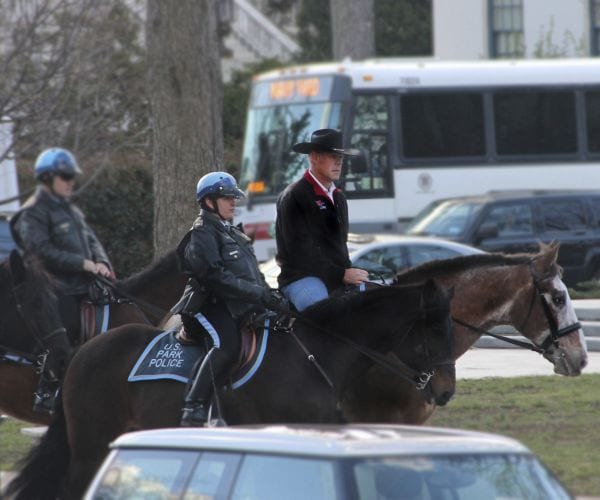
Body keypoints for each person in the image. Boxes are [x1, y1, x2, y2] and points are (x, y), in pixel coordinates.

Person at [171, 171, 288, 427]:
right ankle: (194, 405)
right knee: (227, 345)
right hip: (207, 305)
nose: (233, 202)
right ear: (209, 201)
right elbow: (215, 278)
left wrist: (269, 294)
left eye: (234, 197)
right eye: (227, 198)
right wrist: (259, 294)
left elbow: (252, 274)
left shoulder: (232, 232)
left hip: (235, 305)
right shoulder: (202, 233)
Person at [10, 147, 113, 414]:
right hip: (53, 288)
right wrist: (82, 263)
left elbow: (91, 239)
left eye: (71, 177)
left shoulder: (70, 210)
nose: (71, 182)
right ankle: (47, 388)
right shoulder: (32, 213)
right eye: (65, 176)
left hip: (85, 284)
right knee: (62, 326)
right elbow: (40, 250)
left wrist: (102, 262)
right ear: (47, 178)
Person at [275, 128, 369, 311]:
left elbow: (340, 247)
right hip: (301, 278)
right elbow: (300, 252)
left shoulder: (339, 198)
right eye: (332, 156)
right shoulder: (294, 195)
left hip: (337, 276)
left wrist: (349, 272)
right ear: (314, 158)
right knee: (324, 312)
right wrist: (342, 274)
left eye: (340, 158)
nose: (338, 163)